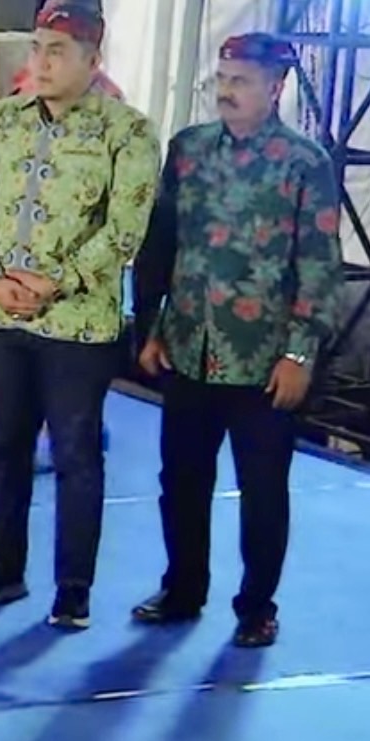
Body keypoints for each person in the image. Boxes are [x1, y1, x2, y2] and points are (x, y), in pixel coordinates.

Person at [131, 33, 340, 648]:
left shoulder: (304, 163)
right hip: (189, 348)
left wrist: (300, 352)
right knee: (181, 482)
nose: (226, 91)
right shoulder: (189, 149)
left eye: (240, 80)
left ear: (275, 87)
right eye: (222, 78)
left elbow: (319, 265)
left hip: (263, 361)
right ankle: (182, 587)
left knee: (263, 492)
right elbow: (161, 246)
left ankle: (256, 607)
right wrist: (149, 326)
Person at [0, 0, 160, 629]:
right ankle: (3, 568)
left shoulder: (127, 132)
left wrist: (57, 281)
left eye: (58, 52)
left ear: (92, 61)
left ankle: (73, 587)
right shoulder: (3, 120)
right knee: (6, 448)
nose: (41, 63)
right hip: (3, 317)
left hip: (78, 324)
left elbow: (125, 231)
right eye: (37, 48)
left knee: (75, 455)